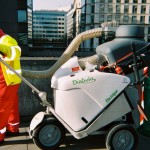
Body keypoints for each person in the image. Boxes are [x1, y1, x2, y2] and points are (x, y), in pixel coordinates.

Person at [0, 29, 22, 144]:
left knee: (2, 108)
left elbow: (16, 52)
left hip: (7, 81)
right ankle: (13, 129)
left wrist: (1, 48)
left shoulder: (6, 39)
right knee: (11, 105)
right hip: (9, 80)